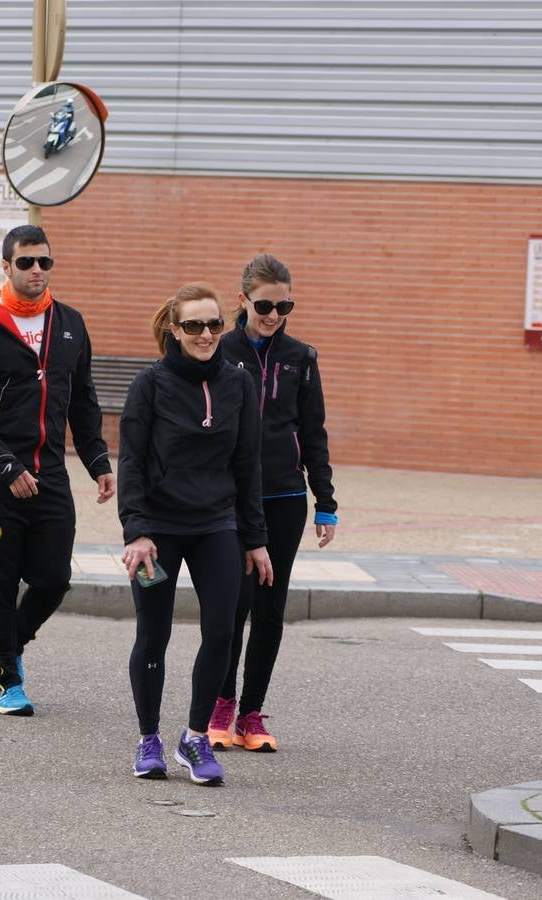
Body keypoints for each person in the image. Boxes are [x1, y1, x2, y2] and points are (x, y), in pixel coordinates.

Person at [0, 224, 114, 717]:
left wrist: (99, 461)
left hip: (50, 478)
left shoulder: (70, 323)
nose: (37, 270)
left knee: (52, 579)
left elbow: (82, 401)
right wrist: (4, 465)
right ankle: (6, 677)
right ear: (6, 268)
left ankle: (11, 642)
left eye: (44, 261)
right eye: (26, 263)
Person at [119, 282, 274, 786]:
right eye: (193, 325)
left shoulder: (239, 383)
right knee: (153, 634)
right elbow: (132, 464)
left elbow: (249, 465)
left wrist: (255, 538)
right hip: (158, 532)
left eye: (214, 325)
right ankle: (149, 740)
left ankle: (194, 738)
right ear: (174, 329)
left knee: (224, 632)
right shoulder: (150, 384)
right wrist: (137, 530)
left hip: (217, 525)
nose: (205, 334)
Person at [209, 254, 337, 753]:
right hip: (231, 500)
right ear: (242, 301)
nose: (274, 314)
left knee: (269, 608)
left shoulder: (301, 357)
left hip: (285, 498)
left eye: (285, 305)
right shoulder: (219, 350)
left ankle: (252, 713)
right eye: (265, 304)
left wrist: (325, 500)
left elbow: (314, 432)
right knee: (232, 605)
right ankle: (220, 702)